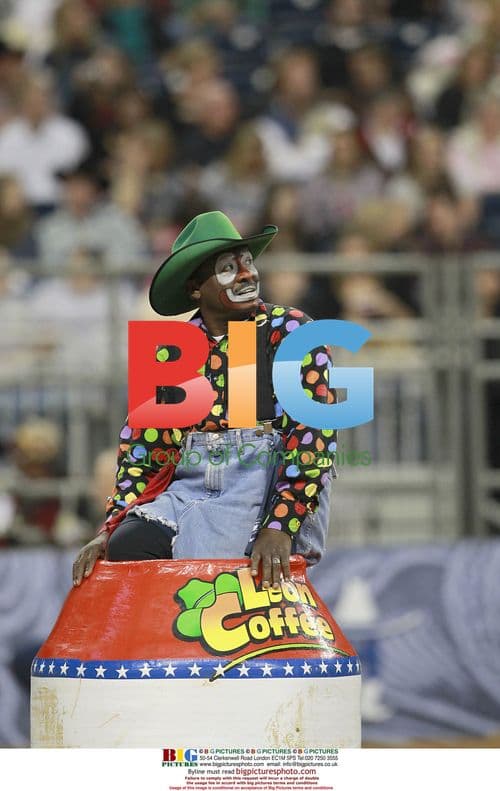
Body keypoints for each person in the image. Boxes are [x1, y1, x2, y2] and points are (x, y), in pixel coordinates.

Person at [73, 210, 337, 590]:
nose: (247, 274)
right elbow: (144, 454)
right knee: (128, 546)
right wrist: (108, 530)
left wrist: (280, 524)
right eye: (229, 267)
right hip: (191, 494)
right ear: (196, 289)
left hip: (268, 493)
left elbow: (313, 437)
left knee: (221, 574)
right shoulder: (171, 354)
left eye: (247, 262)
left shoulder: (291, 331)